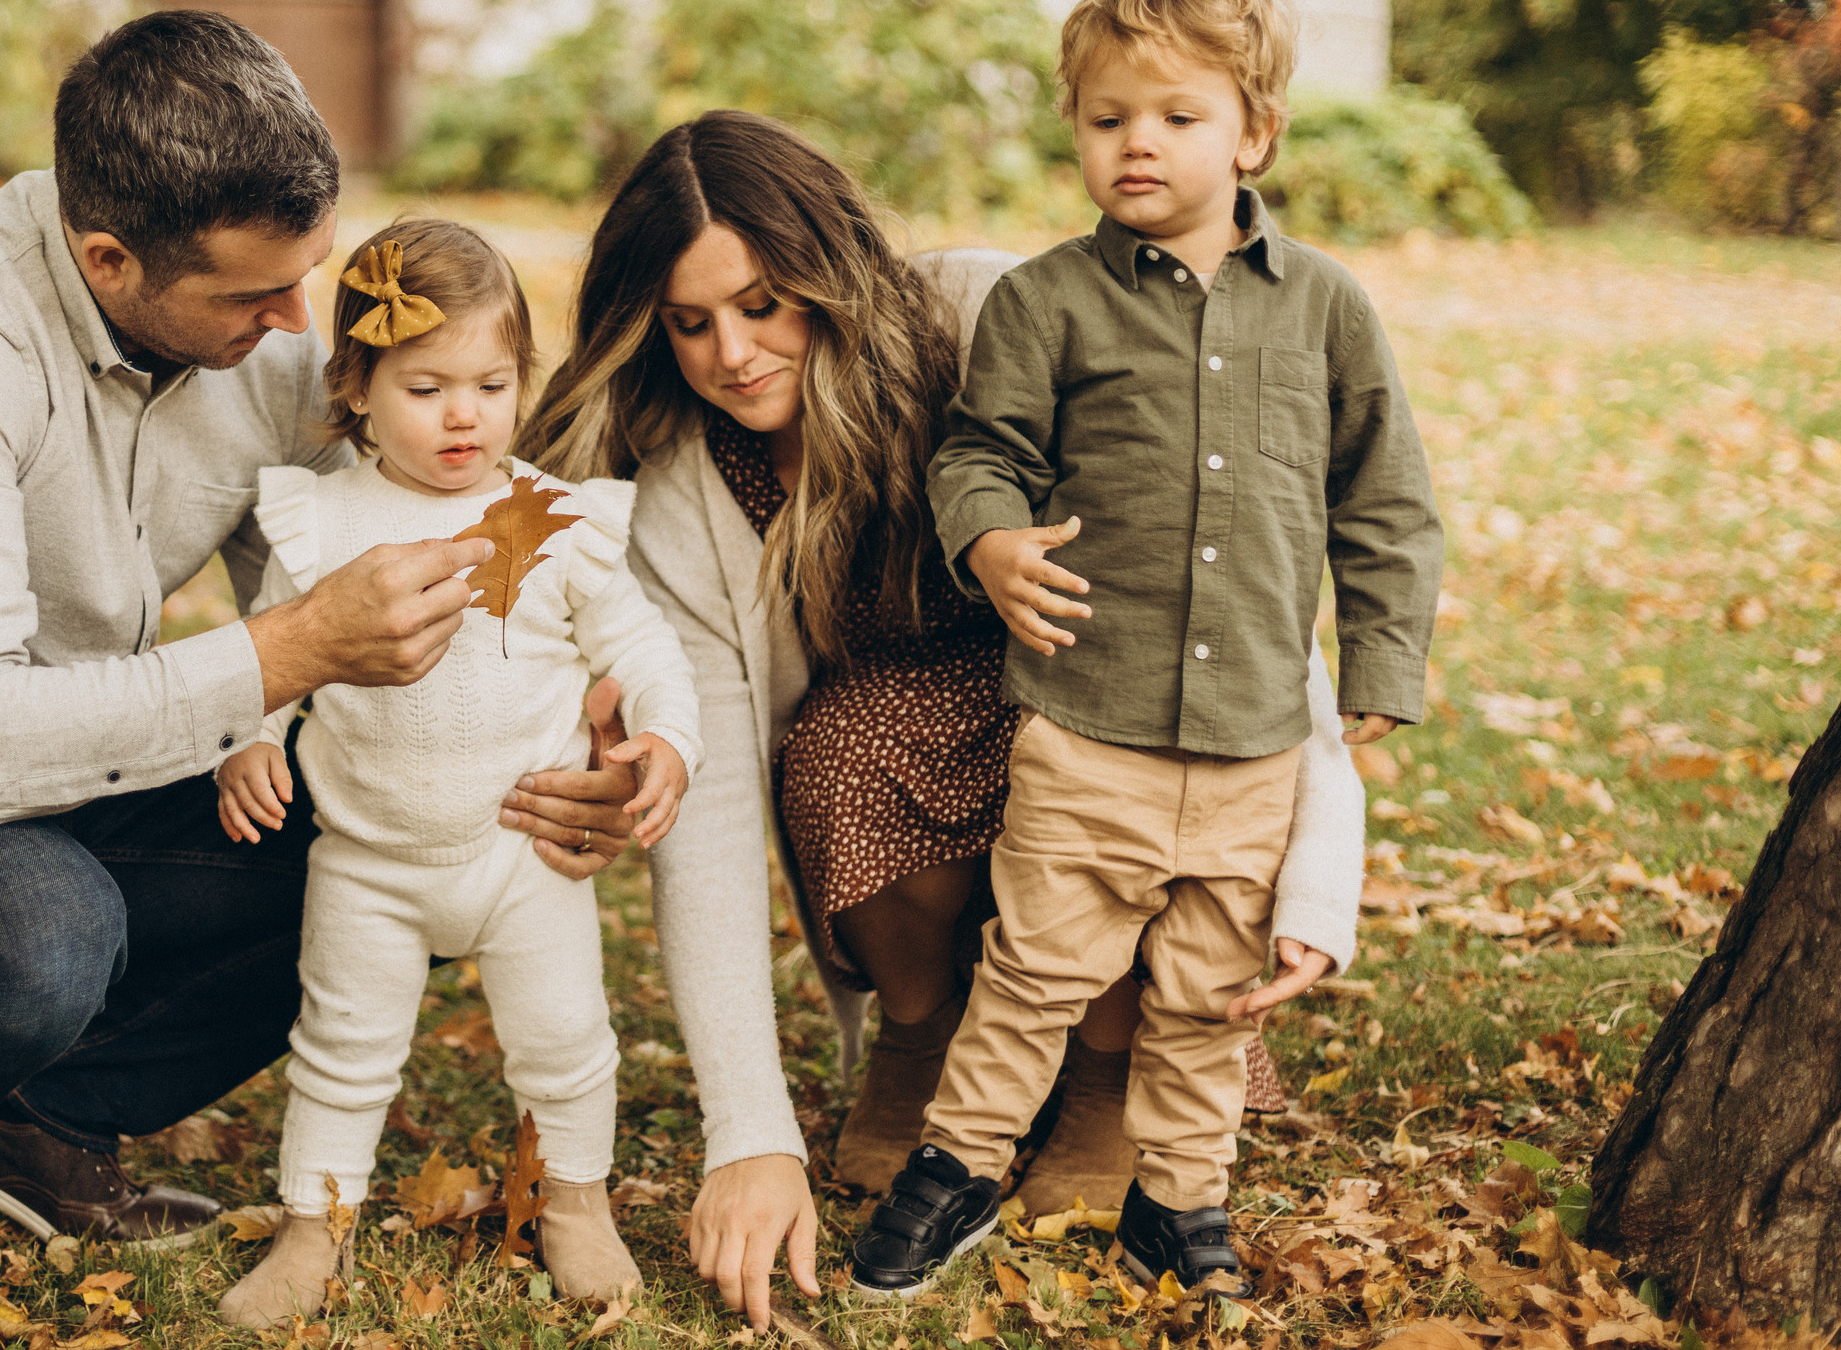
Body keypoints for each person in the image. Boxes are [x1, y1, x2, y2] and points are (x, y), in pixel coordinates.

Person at [0, 13, 636, 1350]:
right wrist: (286, 654)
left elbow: (353, 579)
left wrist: (569, 729)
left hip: (56, 764)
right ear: (107, 257)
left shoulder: (255, 333)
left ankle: (32, 1117)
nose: (293, 329)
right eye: (253, 297)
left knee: (404, 825)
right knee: (32, 931)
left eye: (308, 277)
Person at [513, 108, 1368, 1322]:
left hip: (1101, 705)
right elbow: (700, 806)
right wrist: (746, 1133)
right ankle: (927, 1036)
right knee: (838, 752)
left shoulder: (988, 319)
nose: (732, 354)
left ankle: (1108, 1071)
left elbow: (1227, 593)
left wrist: (1320, 869)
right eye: (690, 323)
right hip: (892, 745)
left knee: (1094, 756)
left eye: (762, 305)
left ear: (828, 270)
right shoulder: (689, 478)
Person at [849, 0, 1443, 1300]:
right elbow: (977, 450)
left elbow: (1386, 492)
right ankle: (958, 1167)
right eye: (1109, 116)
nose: (1139, 144)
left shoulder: (1328, 309)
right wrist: (991, 536)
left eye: (1179, 116)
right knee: (1035, 967)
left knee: (1206, 994)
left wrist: (1385, 651)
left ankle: (1178, 1200)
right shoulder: (1047, 300)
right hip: (1087, 718)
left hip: (1250, 740)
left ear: (1256, 132)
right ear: (1074, 126)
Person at [211, 221, 700, 1327]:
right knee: (340, 1046)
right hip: (369, 861)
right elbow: (260, 655)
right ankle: (312, 1227)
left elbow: (642, 650)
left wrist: (665, 735)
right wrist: (241, 740)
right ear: (357, 383)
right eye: (426, 386)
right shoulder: (324, 518)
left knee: (566, 1040)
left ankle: (576, 1202)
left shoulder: (550, 520)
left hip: (520, 853)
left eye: (491, 382)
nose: (464, 414)